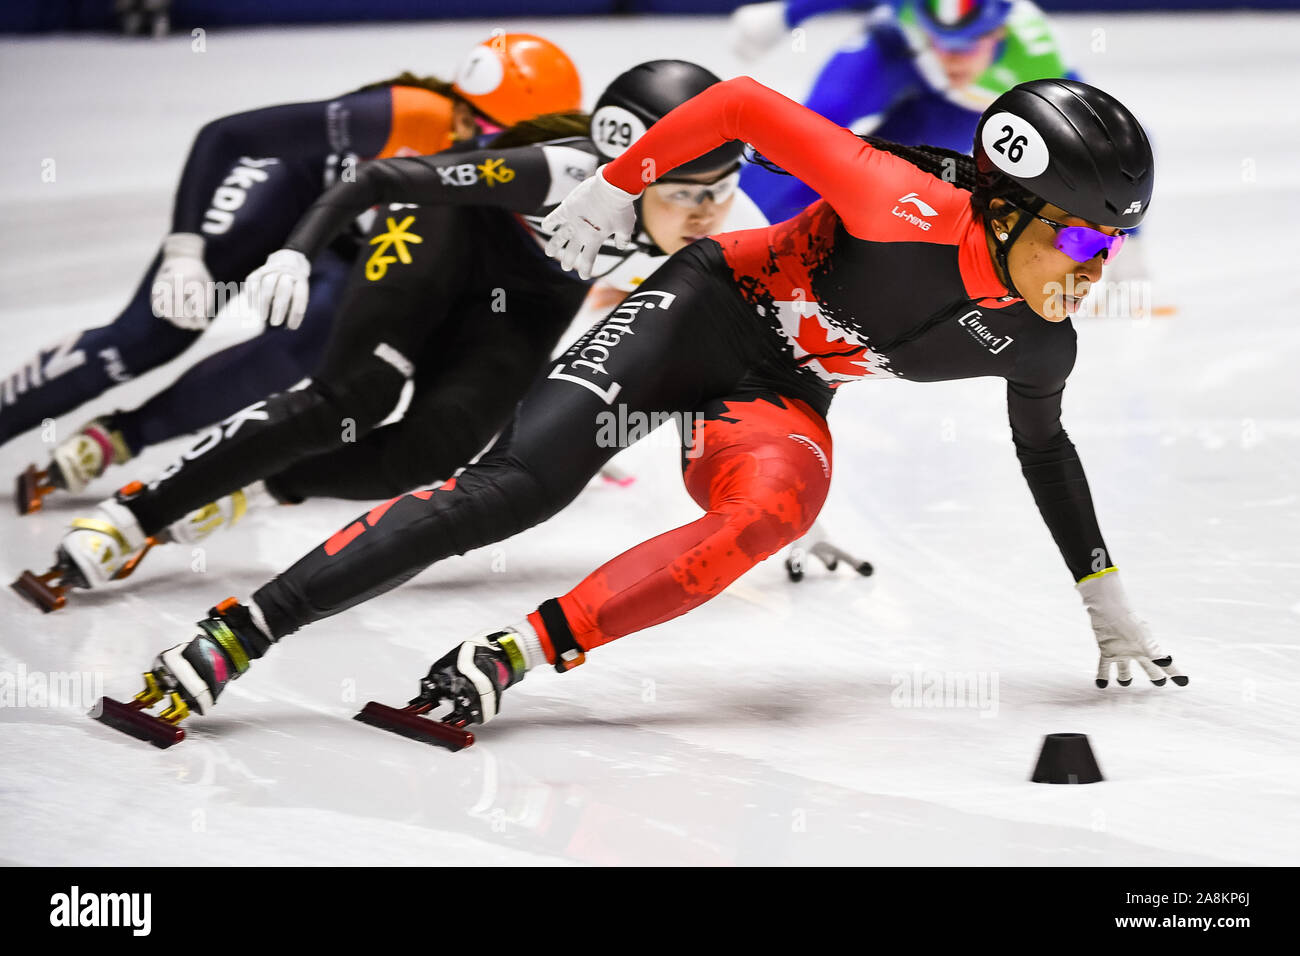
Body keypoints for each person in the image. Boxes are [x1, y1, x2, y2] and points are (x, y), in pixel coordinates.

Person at [100, 75, 1188, 739]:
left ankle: (507, 655)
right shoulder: (894, 198)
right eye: (1084, 238)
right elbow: (745, 108)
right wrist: (612, 181)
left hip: (775, 389)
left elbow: (1044, 448)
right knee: (510, 488)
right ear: (1003, 207)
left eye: (1115, 245)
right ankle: (235, 632)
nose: (1096, 269)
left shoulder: (1042, 338)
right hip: (700, 306)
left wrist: (1104, 598)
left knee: (774, 512)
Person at [18, 60, 766, 610]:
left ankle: (265, 483)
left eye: (721, 192)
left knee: (433, 452)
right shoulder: (555, 174)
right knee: (350, 398)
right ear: (623, 173)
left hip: (532, 292)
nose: (707, 214)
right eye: (684, 195)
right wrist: (294, 250)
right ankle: (135, 512)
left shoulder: (722, 217)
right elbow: (382, 182)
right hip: (446, 230)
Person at [6, 33, 582, 509]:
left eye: (518, 146)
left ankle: (124, 437)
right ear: (458, 111)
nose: (498, 159)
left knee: (309, 344)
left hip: (356, 241)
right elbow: (226, 136)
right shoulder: (400, 114)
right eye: (490, 138)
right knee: (151, 336)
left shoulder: (536, 173)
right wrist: (185, 250)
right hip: (292, 198)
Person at [731, 0, 1076, 224]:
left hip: (957, 104)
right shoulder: (909, 10)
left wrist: (1121, 225)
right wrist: (784, 16)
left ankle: (790, 232)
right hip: (898, 52)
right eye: (941, 39)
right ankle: (730, 208)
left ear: (998, 31)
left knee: (888, 172)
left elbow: (1083, 135)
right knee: (815, 123)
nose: (951, 56)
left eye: (967, 43)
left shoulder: (1039, 59)